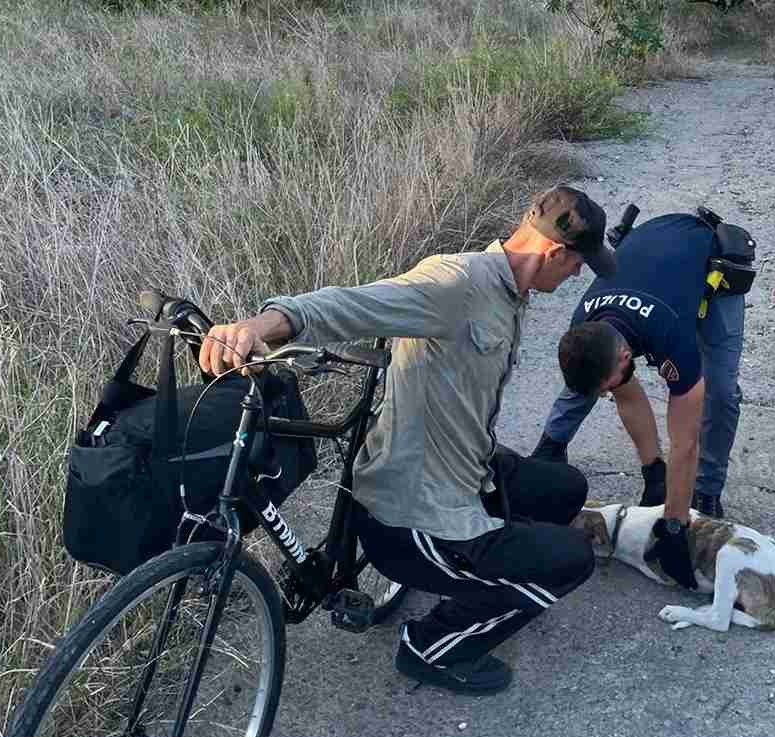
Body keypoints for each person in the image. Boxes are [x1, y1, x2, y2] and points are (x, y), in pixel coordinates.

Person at [198, 186, 616, 696]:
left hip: (467, 472)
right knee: (572, 559)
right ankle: (430, 648)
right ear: (555, 253)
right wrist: (255, 326)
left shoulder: (512, 291)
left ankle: (496, 578)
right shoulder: (457, 282)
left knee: (566, 489)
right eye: (579, 266)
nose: (577, 277)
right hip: (413, 514)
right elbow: (351, 305)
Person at [530, 211, 746, 590]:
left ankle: (709, 491)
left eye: (608, 385)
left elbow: (685, 443)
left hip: (711, 261)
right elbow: (623, 392)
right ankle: (548, 450)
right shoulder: (585, 323)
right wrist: (654, 472)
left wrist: (674, 524)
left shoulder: (671, 338)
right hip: (651, 252)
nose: (606, 395)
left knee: (720, 394)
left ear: (626, 357)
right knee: (591, 378)